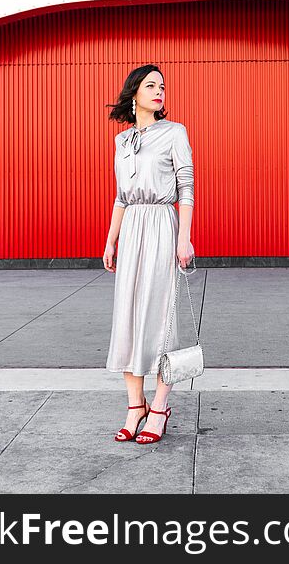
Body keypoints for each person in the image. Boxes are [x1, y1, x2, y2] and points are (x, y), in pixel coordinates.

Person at [102, 64, 195, 444]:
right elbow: (122, 197)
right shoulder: (122, 142)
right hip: (132, 230)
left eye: (162, 87)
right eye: (151, 85)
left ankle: (159, 407)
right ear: (134, 93)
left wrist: (184, 237)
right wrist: (111, 241)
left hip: (161, 225)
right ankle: (134, 405)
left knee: (159, 318)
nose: (159, 91)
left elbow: (186, 187)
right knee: (127, 314)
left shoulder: (175, 133)